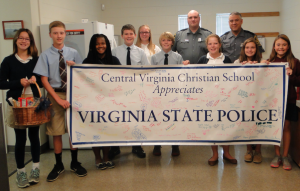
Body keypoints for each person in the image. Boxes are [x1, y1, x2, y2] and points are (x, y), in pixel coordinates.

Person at [33, 21, 87, 181]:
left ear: (65, 34)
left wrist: (75, 65)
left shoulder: (73, 52)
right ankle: (58, 165)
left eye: (61, 33)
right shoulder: (45, 55)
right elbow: (43, 80)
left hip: (73, 94)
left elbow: (82, 74)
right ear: (50, 35)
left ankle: (75, 162)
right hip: (55, 95)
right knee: (56, 131)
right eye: (55, 33)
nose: (58, 36)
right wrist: (57, 99)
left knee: (73, 130)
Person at [0, 28, 41, 188]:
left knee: (34, 137)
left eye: (27, 39)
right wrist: (18, 82)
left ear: (31, 42)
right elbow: (1, 83)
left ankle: (35, 169)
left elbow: (43, 77)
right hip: (17, 104)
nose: (24, 41)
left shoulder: (36, 60)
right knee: (20, 139)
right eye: (21, 38)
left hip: (34, 103)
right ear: (16, 40)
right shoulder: (8, 61)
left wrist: (34, 78)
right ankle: (20, 172)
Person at [110, 24, 149, 159]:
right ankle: (115, 147)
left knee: (135, 118)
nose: (128, 36)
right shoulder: (114, 52)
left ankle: (137, 146)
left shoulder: (140, 52)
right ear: (122, 36)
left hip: (136, 91)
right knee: (117, 118)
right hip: (119, 91)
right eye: (126, 34)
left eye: (131, 34)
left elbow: (146, 72)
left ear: (134, 35)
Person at [82, 34, 121, 169]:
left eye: (103, 43)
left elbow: (122, 79)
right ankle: (97, 158)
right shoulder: (86, 62)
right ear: (93, 46)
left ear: (107, 45)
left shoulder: (114, 60)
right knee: (95, 130)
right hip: (93, 102)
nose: (100, 46)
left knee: (107, 130)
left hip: (110, 102)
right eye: (97, 44)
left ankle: (106, 157)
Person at [197, 34, 236, 166]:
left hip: (225, 99)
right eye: (210, 44)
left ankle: (227, 153)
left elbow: (232, 78)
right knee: (212, 127)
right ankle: (214, 154)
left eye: (215, 43)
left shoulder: (227, 59)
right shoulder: (203, 60)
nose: (212, 46)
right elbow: (196, 78)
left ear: (220, 45)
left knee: (225, 126)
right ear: (206, 46)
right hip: (209, 100)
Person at [262, 34, 299, 170]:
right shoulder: (269, 61)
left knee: (286, 127)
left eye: (284, 44)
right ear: (274, 47)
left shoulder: (295, 62)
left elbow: (299, 81)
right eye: (278, 45)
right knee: (275, 127)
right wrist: (263, 67)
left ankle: (285, 156)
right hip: (273, 100)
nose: (281, 47)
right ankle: (277, 155)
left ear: (288, 46)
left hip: (288, 99)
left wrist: (291, 74)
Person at [150, 32, 183, 156]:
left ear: (172, 42)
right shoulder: (154, 58)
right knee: (158, 118)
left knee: (174, 118)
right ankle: (157, 145)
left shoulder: (178, 57)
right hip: (158, 93)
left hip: (173, 92)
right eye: (163, 40)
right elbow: (151, 75)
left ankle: (175, 145)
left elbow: (181, 75)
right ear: (160, 42)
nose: (166, 42)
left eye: (168, 40)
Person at [234, 37, 264, 163]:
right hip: (244, 99)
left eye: (252, 47)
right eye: (247, 47)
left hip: (259, 97)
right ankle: (248, 150)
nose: (249, 50)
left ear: (256, 49)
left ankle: (258, 151)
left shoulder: (263, 61)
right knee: (247, 123)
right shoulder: (237, 62)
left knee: (258, 123)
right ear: (243, 49)